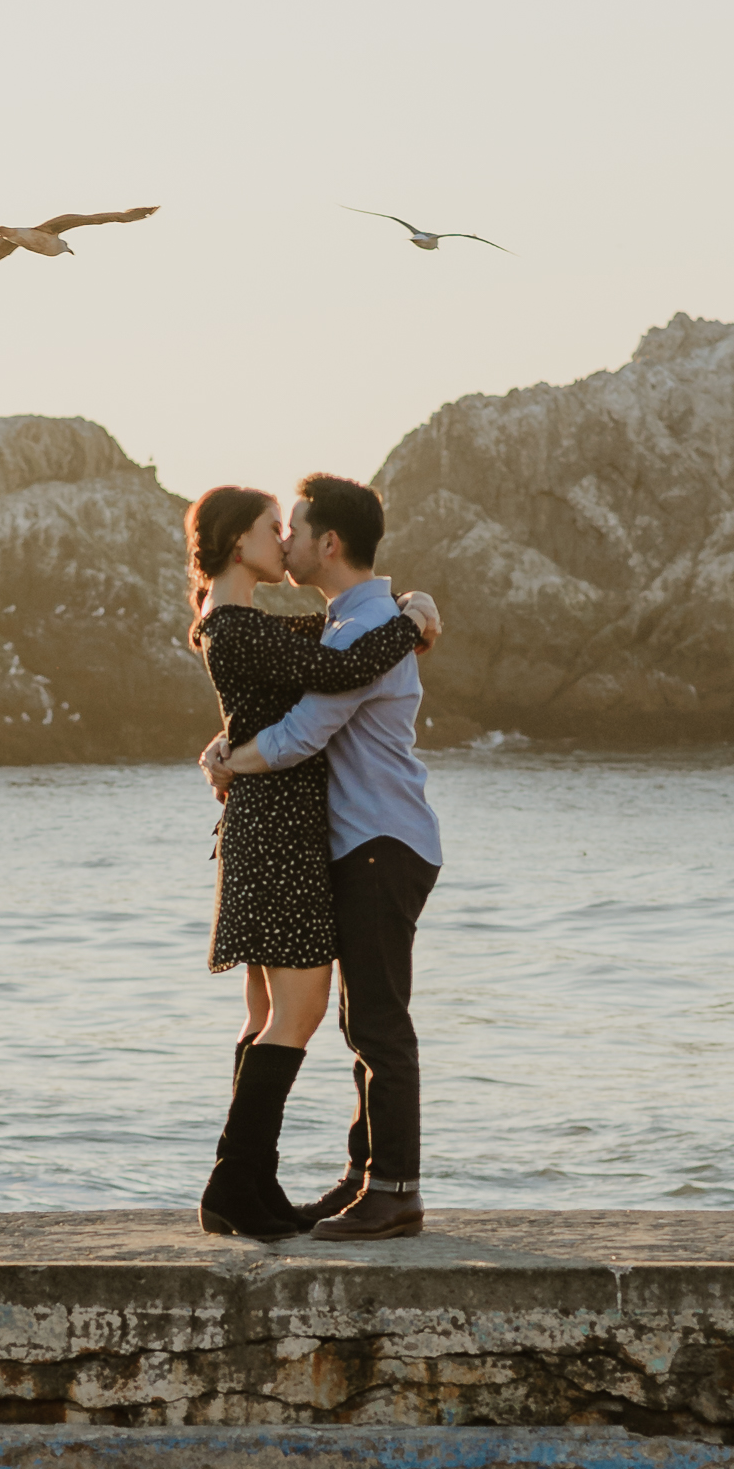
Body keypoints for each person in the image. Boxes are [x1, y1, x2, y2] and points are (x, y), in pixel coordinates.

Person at [186, 485, 435, 1239]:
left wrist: (405, 609)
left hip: (308, 832)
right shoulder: (241, 628)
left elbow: (327, 673)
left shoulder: (257, 625)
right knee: (295, 1014)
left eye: (291, 528)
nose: (283, 538)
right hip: (285, 832)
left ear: (327, 543)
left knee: (287, 1015)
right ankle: (241, 1183)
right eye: (272, 527)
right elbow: (332, 676)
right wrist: (411, 621)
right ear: (240, 544)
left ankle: (259, 1185)